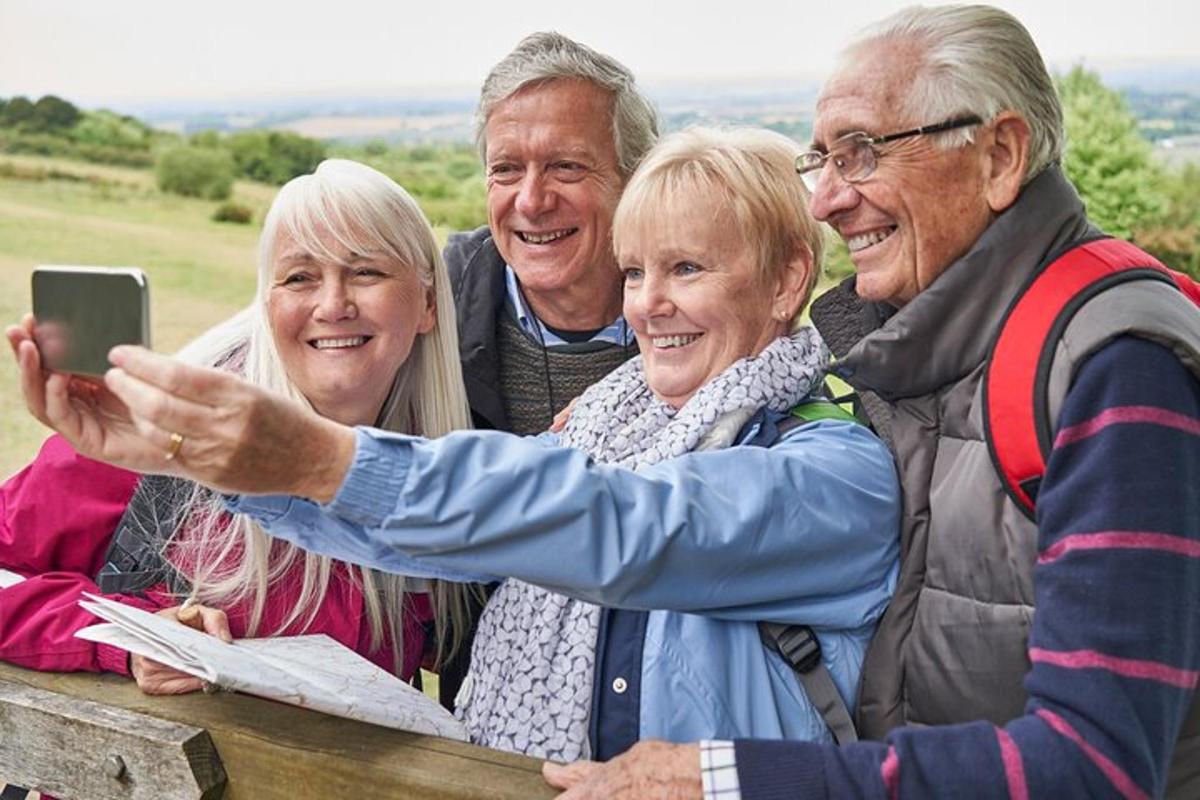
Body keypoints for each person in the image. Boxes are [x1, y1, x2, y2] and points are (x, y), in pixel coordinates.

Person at [10, 128, 900, 762]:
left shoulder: (834, 471)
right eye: (635, 271)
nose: (648, 304)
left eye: (688, 268)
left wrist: (314, 462)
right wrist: (190, 458)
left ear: (789, 281)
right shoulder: (603, 431)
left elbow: (628, 530)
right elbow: (485, 520)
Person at [539, 5, 1200, 799]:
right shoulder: (928, 351)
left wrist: (727, 777)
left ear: (998, 156)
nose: (823, 200)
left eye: (859, 153)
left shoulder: (1117, 366)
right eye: (819, 159)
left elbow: (1095, 767)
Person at [0, 158, 475, 697]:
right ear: (267, 304)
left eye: (366, 272)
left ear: (428, 304)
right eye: (300, 277)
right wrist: (129, 637)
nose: (333, 304)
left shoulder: (439, 478)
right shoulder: (156, 432)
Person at [446, 31, 658, 436]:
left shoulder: (708, 310)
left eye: (565, 166)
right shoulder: (432, 309)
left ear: (636, 178)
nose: (530, 202)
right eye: (506, 169)